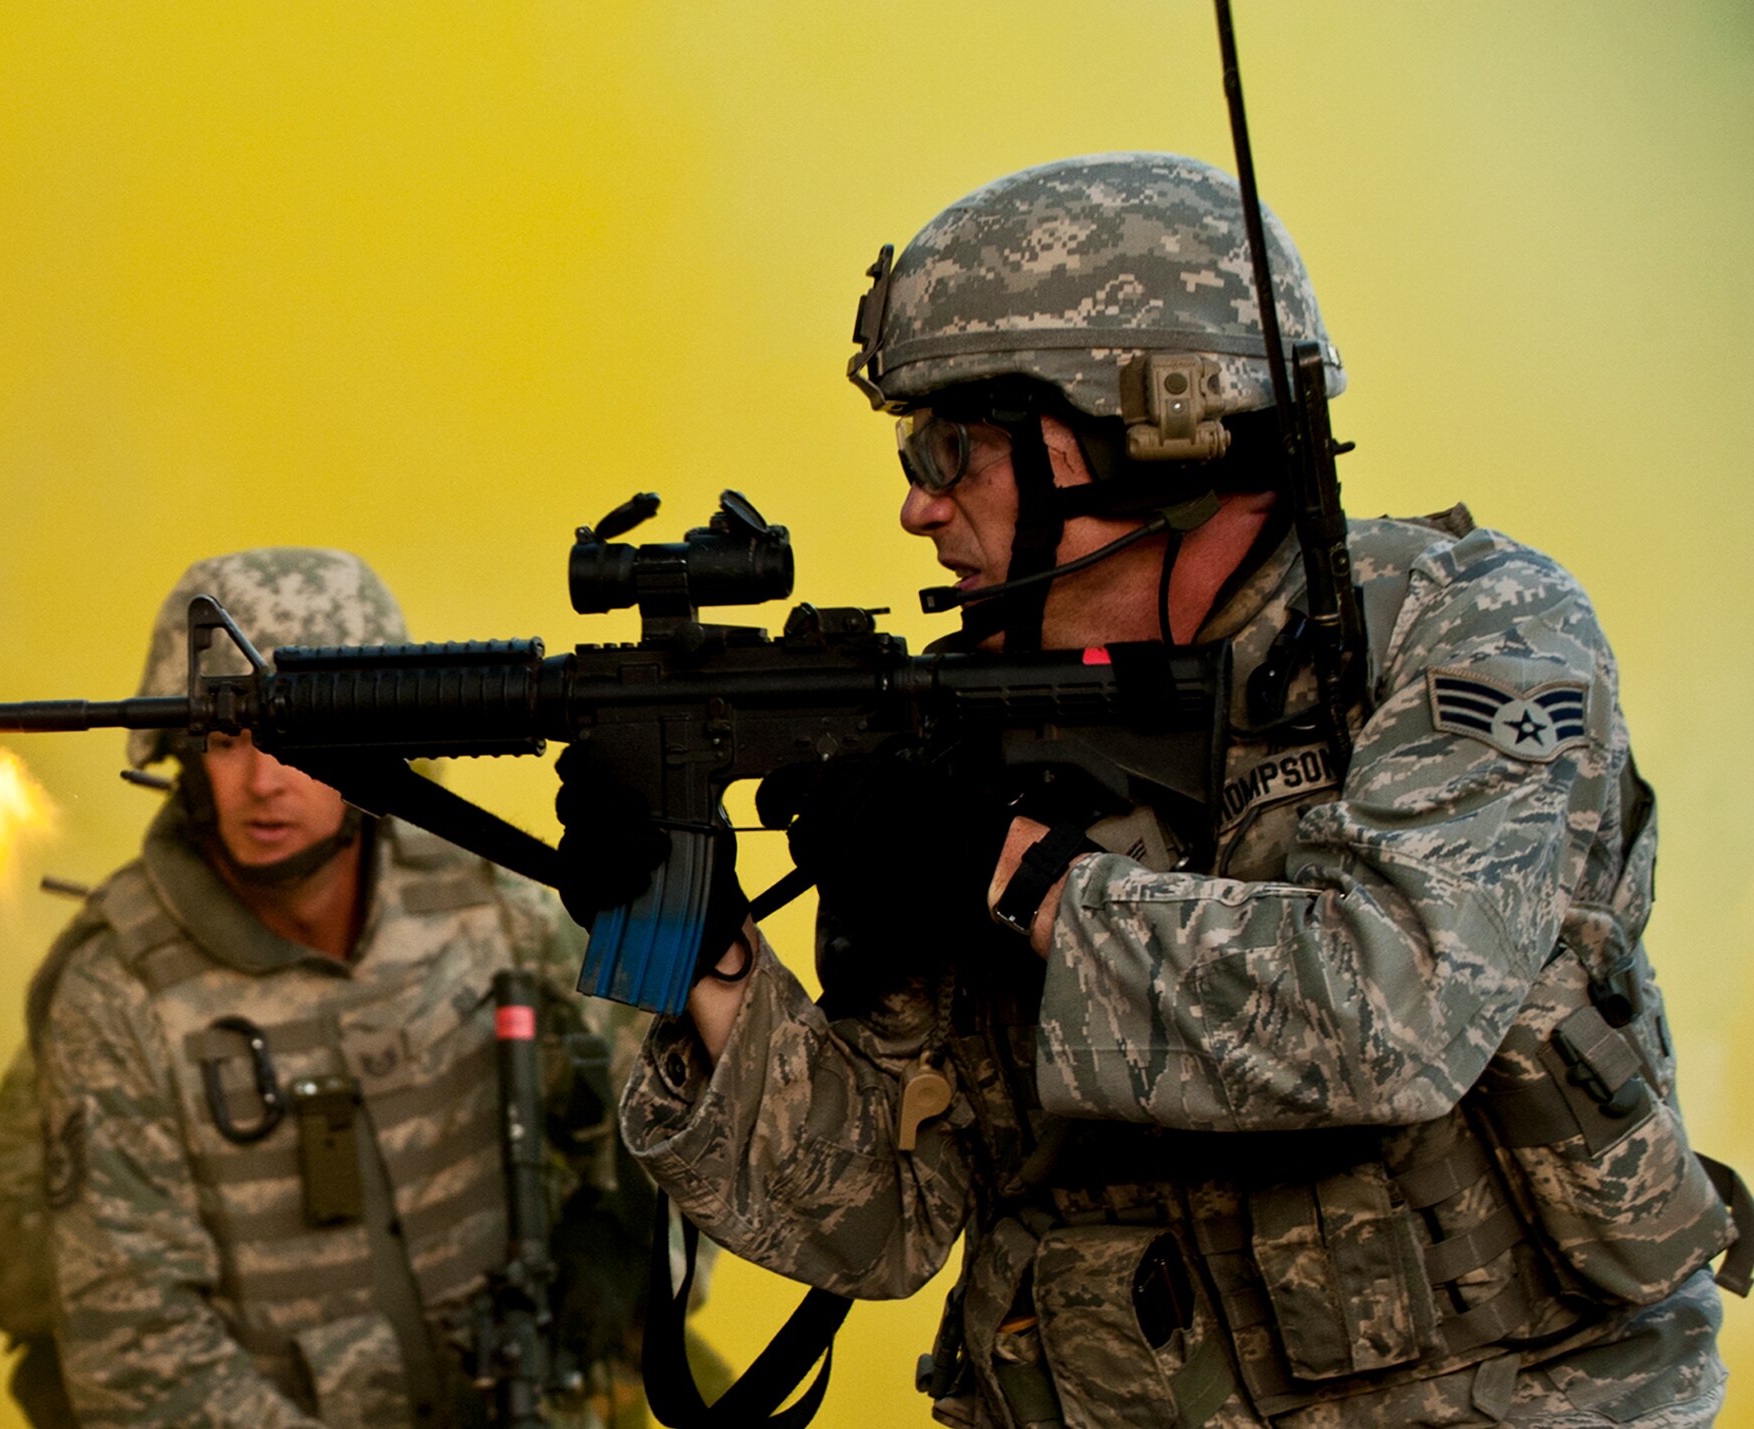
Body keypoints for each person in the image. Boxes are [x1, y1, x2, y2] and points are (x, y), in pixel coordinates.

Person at [573, 155, 1748, 1426]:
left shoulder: (1461, 629)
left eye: (950, 446)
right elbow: (880, 1219)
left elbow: (1389, 1011)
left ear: (1144, 440)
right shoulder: (969, 723)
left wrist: (1010, 872)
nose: (915, 505)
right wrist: (711, 972)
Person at [0, 547, 660, 1429]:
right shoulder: (117, 992)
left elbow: (686, 1119)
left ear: (376, 744)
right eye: (228, 740)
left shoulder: (495, 905)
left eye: (300, 741)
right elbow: (141, 1358)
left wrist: (633, 1244)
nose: (265, 782)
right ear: (185, 755)